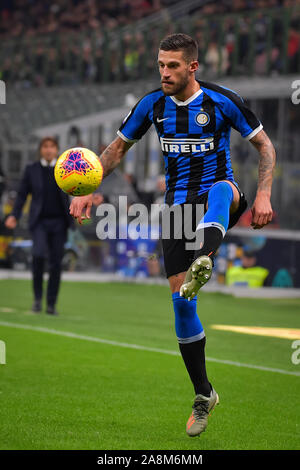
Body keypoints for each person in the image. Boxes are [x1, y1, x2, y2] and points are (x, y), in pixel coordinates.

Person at [69, 33, 275, 437]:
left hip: (221, 198)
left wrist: (264, 194)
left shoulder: (222, 100)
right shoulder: (152, 104)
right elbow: (115, 150)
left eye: (173, 66)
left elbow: (265, 147)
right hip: (178, 211)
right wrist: (90, 187)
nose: (165, 72)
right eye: (161, 65)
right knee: (182, 305)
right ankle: (204, 394)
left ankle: (206, 256)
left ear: (192, 67)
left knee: (219, 188)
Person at [5, 137, 74, 315]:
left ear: (57, 150)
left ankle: (51, 304)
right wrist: (14, 215)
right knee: (38, 256)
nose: (49, 150)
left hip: (60, 222)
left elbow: (78, 189)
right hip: (39, 222)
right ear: (41, 150)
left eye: (52, 147)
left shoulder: (66, 169)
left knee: (56, 264)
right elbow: (22, 195)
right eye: (45, 147)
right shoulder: (32, 170)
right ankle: (37, 300)